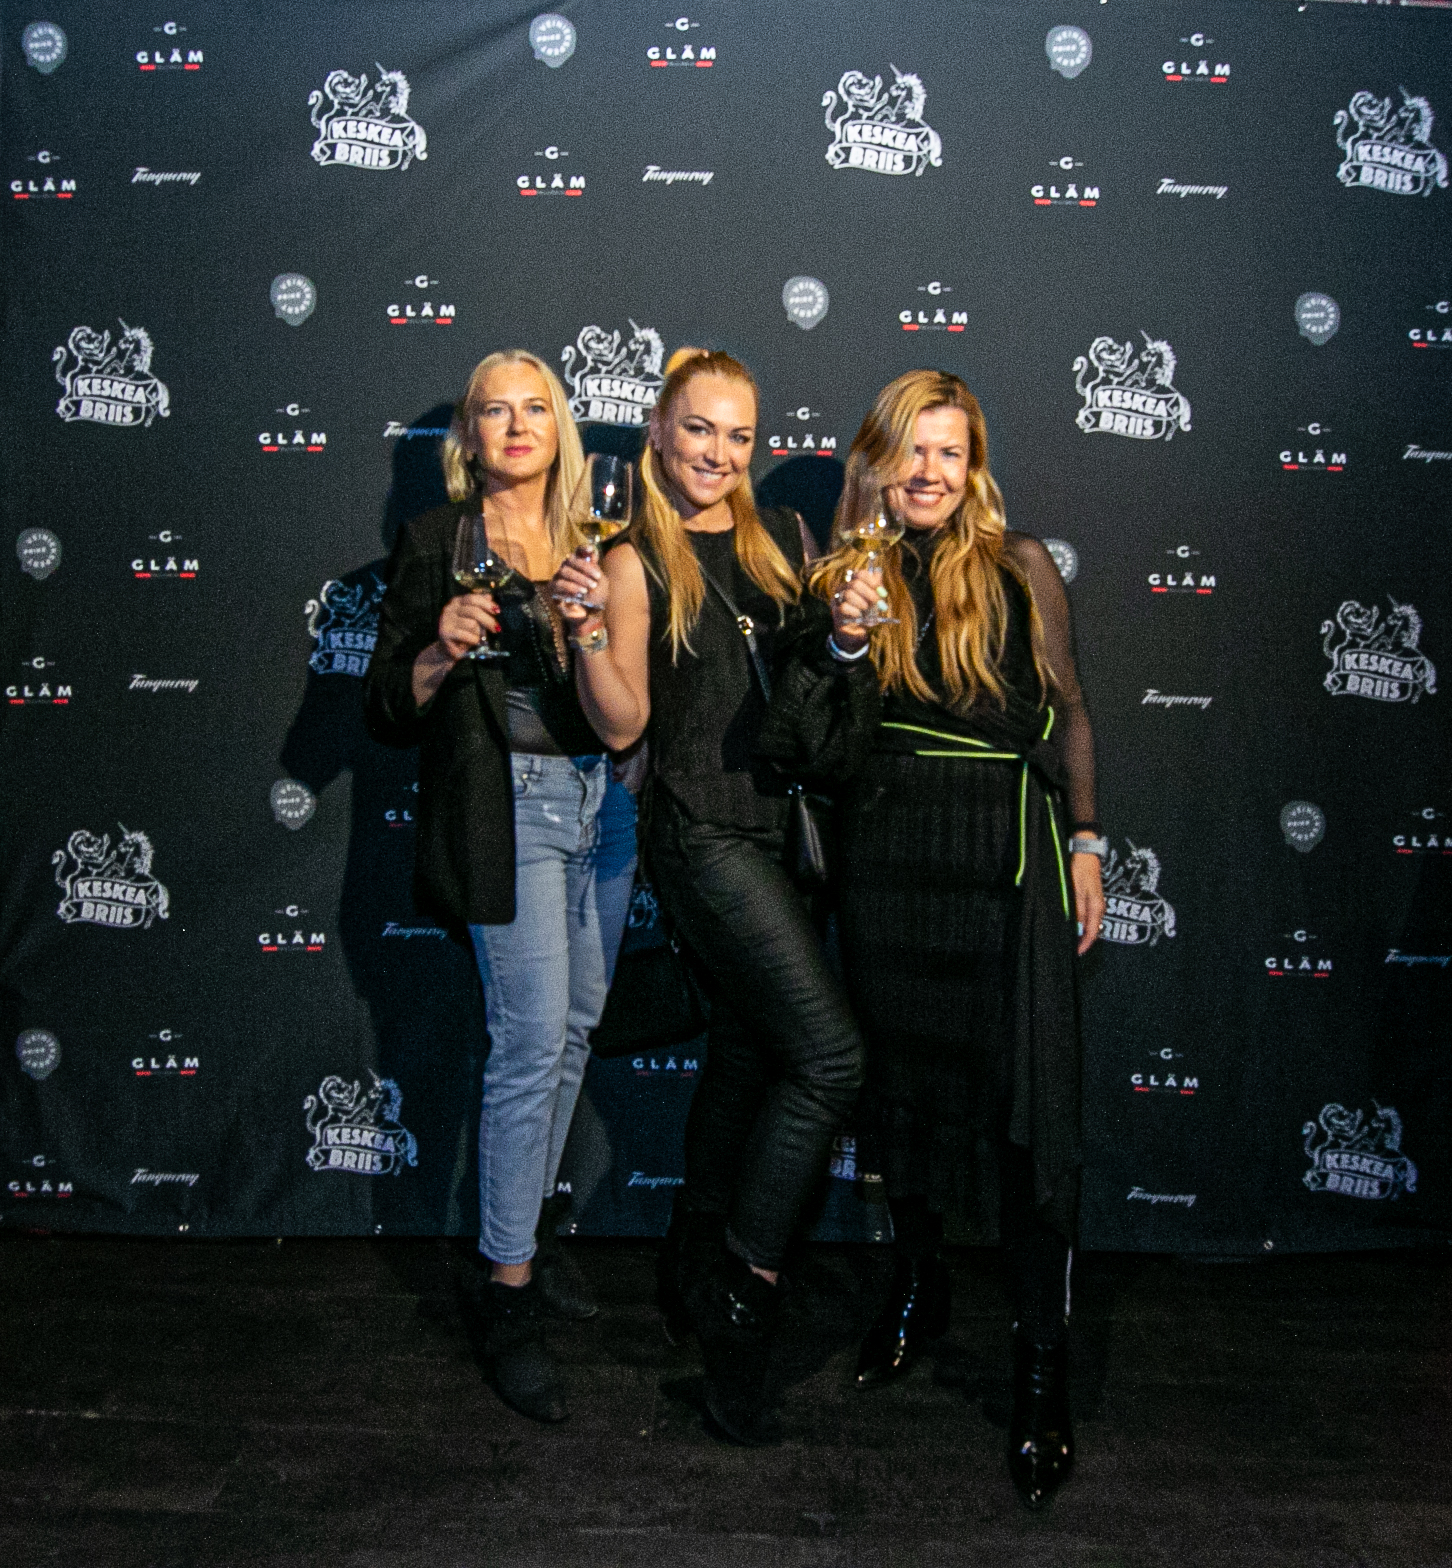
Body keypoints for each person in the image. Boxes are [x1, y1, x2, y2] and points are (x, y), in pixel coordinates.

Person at [756, 369, 1105, 1508]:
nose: (930, 472)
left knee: (1027, 1113)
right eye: (912, 449)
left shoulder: (1020, 565)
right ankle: (917, 1284)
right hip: (890, 865)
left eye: (950, 452)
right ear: (877, 459)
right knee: (901, 1095)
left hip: (1005, 863)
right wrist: (843, 639)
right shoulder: (843, 579)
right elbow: (802, 745)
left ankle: (1041, 1359)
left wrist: (1087, 838)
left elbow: (1068, 708)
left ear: (974, 466)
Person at [549, 348, 865, 1446]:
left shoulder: (786, 541)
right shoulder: (636, 556)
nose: (719, 455)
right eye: (698, 429)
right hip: (703, 834)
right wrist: (586, 629)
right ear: (658, 430)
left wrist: (844, 636)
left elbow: (815, 692)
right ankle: (743, 1294)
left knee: (745, 1051)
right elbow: (624, 725)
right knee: (829, 1058)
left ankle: (689, 1258)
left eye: (739, 436)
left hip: (789, 834)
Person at [364, 350, 637, 1425]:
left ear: (560, 427)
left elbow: (622, 695)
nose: (517, 426)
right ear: (467, 436)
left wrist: (592, 625)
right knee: (528, 1043)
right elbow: (388, 706)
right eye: (494, 410)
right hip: (506, 808)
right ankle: (506, 1289)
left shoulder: (593, 537)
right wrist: (438, 649)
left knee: (574, 1028)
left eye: (535, 408)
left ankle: (531, 1231)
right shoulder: (438, 541)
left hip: (600, 805)